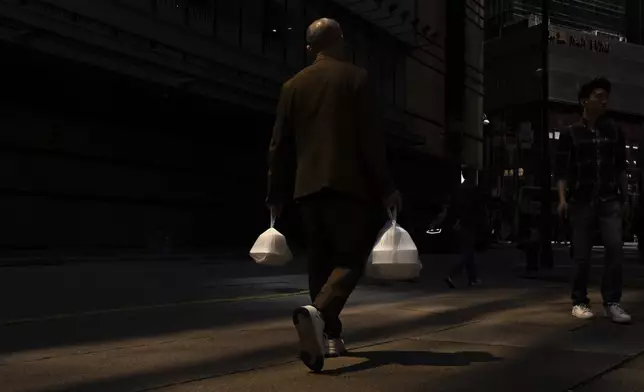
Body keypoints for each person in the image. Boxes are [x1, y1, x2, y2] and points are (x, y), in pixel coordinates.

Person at [265, 18, 402, 372]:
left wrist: (275, 192)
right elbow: (371, 140)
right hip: (348, 186)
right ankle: (321, 316)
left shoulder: (292, 86)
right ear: (339, 42)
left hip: (306, 189)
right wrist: (386, 186)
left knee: (319, 261)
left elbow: (278, 146)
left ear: (310, 48)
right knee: (351, 259)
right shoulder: (356, 79)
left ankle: (331, 337)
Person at [554, 77, 631, 323]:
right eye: (599, 95)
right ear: (585, 100)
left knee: (615, 249)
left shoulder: (614, 131)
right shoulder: (571, 133)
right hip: (581, 199)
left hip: (609, 198)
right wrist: (562, 199)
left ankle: (612, 302)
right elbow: (562, 171)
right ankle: (579, 301)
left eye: (605, 95)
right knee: (581, 254)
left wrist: (625, 197)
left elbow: (620, 167)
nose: (604, 100)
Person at [445, 166, 485, 288]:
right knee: (467, 251)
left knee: (469, 250)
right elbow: (479, 208)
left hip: (462, 222)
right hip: (470, 222)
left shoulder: (459, 189)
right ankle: (452, 275)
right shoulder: (473, 189)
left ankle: (472, 278)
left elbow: (453, 206)